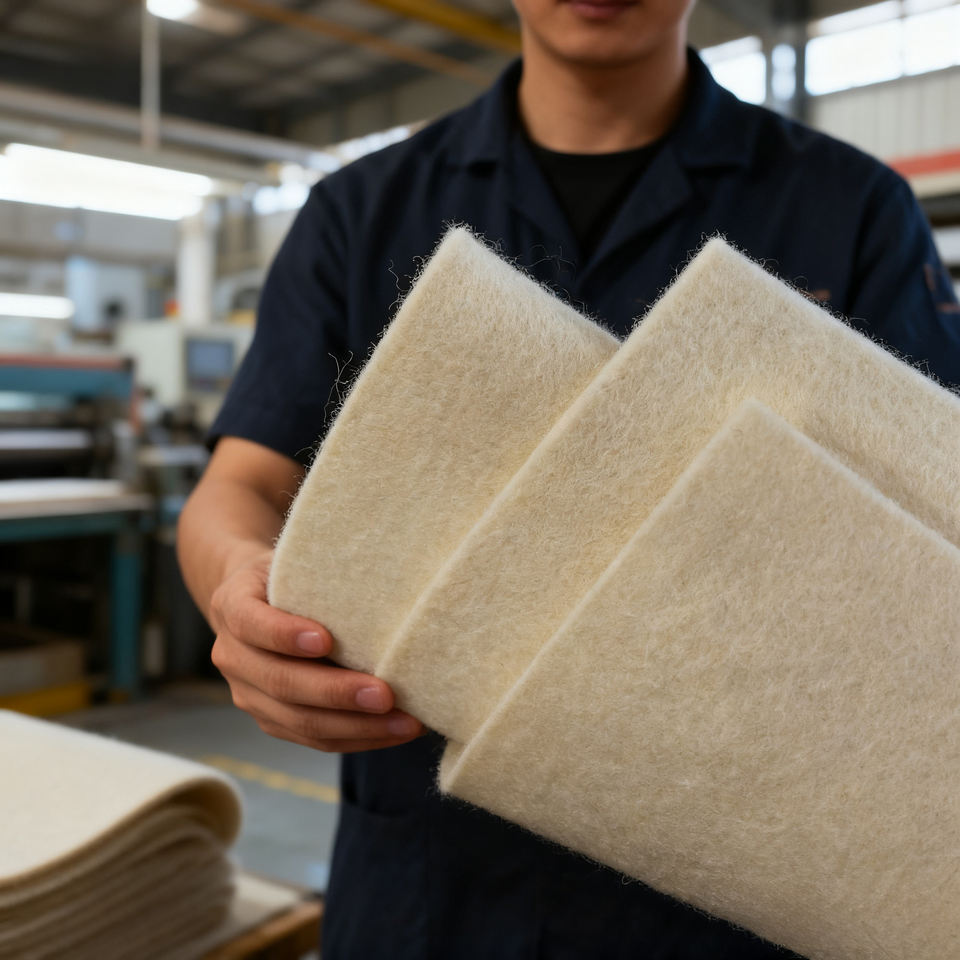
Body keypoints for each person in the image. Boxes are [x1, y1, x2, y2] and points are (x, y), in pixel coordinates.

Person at [177, 0, 960, 956]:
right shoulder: (362, 207)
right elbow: (242, 483)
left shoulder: (849, 205)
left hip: (741, 884)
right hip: (434, 886)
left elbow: (933, 532)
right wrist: (236, 593)